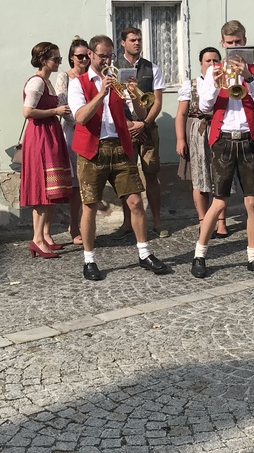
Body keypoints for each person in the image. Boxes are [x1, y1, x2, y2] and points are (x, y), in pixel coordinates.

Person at [69, 35, 171, 280]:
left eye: (110, 56)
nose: (107, 60)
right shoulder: (79, 83)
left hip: (120, 147)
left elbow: (142, 112)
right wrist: (101, 93)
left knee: (135, 201)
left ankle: (145, 253)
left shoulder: (119, 82)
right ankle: (89, 259)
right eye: (102, 55)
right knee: (90, 206)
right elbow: (81, 117)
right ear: (91, 55)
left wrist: (134, 93)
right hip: (92, 150)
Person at [190, 20, 254, 279]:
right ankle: (200, 254)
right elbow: (203, 106)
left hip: (248, 139)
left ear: (245, 41)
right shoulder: (213, 70)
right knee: (219, 201)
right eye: (230, 43)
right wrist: (214, 83)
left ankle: (253, 257)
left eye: (239, 42)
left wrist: (248, 77)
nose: (235, 47)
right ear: (223, 43)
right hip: (224, 140)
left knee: (251, 202)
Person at [20, 42, 72, 258]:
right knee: (43, 189)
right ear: (43, 60)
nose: (59, 62)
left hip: (50, 134)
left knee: (53, 188)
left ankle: (44, 235)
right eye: (56, 59)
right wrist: (55, 110)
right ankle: (37, 239)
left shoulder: (47, 82)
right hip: (40, 136)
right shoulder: (36, 82)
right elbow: (27, 112)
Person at [115, 27, 168, 238]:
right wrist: (128, 125)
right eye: (132, 40)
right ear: (123, 43)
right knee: (125, 176)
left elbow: (157, 102)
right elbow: (112, 102)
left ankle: (156, 221)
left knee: (151, 174)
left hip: (146, 127)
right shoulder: (114, 68)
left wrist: (144, 123)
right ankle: (127, 223)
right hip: (124, 128)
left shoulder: (152, 68)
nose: (137, 43)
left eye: (139, 40)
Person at [175, 47, 229, 239]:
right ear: (201, 63)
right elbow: (181, 114)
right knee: (199, 179)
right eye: (208, 61)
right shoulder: (191, 85)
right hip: (197, 132)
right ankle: (203, 221)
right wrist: (181, 139)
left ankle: (221, 221)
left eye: (216, 60)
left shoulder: (226, 82)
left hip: (220, 129)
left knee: (220, 177)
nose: (213, 64)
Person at [55, 37, 91, 245]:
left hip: (91, 130)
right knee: (76, 183)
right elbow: (63, 106)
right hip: (74, 130)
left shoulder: (92, 76)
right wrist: (80, 124)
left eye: (87, 55)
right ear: (71, 58)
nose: (84, 59)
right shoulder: (65, 77)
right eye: (80, 56)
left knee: (89, 179)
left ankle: (85, 222)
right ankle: (75, 225)